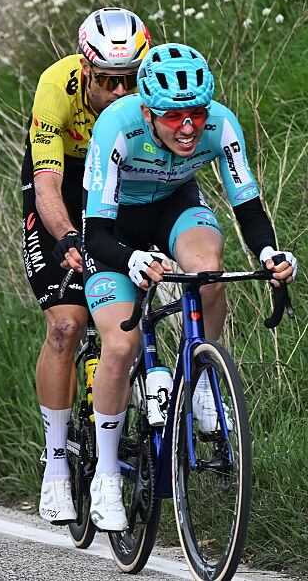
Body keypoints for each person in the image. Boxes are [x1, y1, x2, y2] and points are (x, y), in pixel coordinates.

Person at [81, 42, 298, 531]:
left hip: (175, 206)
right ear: (147, 112)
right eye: (173, 116)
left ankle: (200, 380)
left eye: (196, 114)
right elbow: (96, 234)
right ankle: (107, 474)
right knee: (120, 346)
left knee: (208, 272)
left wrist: (269, 254)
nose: (187, 128)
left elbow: (249, 208)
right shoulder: (117, 125)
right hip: (114, 226)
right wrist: (131, 259)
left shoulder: (221, 124)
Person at [20, 7, 150, 524]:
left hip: (120, 182)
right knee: (66, 325)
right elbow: (48, 185)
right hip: (65, 180)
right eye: (109, 81)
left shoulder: (149, 95)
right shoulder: (57, 86)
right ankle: (55, 465)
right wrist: (68, 237)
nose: (121, 92)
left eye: (130, 80)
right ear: (86, 69)